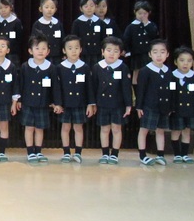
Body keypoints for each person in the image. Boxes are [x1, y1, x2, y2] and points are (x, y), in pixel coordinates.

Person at [18, 34, 63, 164]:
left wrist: (57, 103)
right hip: (27, 102)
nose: (40, 51)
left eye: (44, 48)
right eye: (37, 48)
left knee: (39, 128)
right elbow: (20, 84)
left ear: (48, 51)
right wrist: (18, 100)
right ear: (30, 51)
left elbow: (55, 87)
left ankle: (38, 151)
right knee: (29, 128)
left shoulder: (51, 68)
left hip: (43, 103)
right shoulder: (25, 66)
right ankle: (30, 152)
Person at [92, 36, 132, 165]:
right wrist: (93, 103)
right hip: (102, 104)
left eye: (116, 51)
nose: (112, 54)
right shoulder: (97, 67)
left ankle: (114, 154)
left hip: (118, 104)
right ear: (102, 51)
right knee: (104, 129)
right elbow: (93, 87)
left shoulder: (123, 67)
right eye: (109, 50)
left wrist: (128, 105)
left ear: (120, 53)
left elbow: (126, 88)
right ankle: (105, 154)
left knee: (116, 129)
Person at [57, 35, 96, 164]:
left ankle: (78, 153)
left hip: (80, 103)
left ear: (81, 49)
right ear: (64, 50)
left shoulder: (85, 67)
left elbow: (89, 87)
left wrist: (90, 104)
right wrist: (57, 103)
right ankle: (66, 152)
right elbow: (57, 88)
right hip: (65, 104)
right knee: (65, 128)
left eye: (76, 48)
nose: (73, 51)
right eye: (70, 48)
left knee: (78, 128)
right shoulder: (60, 67)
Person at [135, 39, 172, 165]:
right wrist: (139, 107)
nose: (159, 55)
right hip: (149, 106)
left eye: (162, 52)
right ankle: (142, 155)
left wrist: (171, 106)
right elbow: (141, 90)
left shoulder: (169, 71)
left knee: (160, 130)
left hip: (164, 106)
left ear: (167, 54)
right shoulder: (145, 71)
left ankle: (160, 155)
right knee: (144, 130)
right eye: (155, 52)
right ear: (150, 54)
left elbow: (172, 89)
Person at [169, 46, 194, 164]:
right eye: (182, 60)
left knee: (186, 131)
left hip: (191, 109)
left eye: (189, 60)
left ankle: (184, 154)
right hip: (176, 109)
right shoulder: (172, 76)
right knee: (176, 131)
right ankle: (177, 155)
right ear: (175, 62)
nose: (185, 63)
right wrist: (169, 107)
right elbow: (170, 94)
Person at [122, 0, 159, 84]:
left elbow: (154, 36)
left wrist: (146, 25)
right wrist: (126, 50)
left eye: (145, 13)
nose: (142, 16)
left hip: (148, 54)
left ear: (149, 13)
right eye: (140, 13)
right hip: (137, 54)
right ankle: (136, 89)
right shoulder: (131, 26)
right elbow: (126, 39)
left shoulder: (151, 25)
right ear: (135, 12)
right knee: (137, 73)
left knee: (150, 71)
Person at [0, 0, 23, 68]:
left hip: (12, 53)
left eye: (6, 7)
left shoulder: (16, 22)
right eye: (0, 8)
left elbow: (20, 39)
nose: (3, 10)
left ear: (11, 7)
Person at [31, 0, 65, 65]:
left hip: (57, 55)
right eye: (46, 7)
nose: (49, 10)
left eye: (52, 7)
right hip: (43, 55)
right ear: (40, 9)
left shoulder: (58, 23)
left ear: (55, 9)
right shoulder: (37, 24)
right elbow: (34, 41)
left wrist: (64, 53)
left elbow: (62, 39)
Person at [71, 0, 105, 68]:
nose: (89, 8)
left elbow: (103, 38)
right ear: (81, 8)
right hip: (83, 52)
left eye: (91, 6)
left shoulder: (99, 22)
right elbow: (74, 38)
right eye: (86, 6)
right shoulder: (77, 22)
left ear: (95, 7)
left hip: (97, 52)